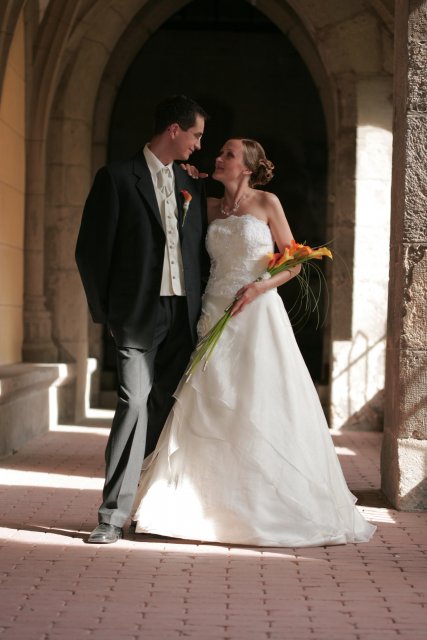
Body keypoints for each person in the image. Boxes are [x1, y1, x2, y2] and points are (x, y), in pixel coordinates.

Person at [131, 137, 376, 547]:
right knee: (207, 399)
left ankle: (264, 503)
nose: (218, 158)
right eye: (219, 153)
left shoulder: (267, 203)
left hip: (257, 312)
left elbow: (295, 262)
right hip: (214, 310)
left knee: (255, 398)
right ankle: (193, 501)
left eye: (227, 155)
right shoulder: (208, 205)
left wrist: (260, 287)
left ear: (246, 167)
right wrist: (184, 176)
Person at [75, 95, 210, 544]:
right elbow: (91, 252)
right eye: (195, 135)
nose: (198, 144)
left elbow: (198, 252)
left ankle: (149, 508)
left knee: (166, 409)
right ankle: (111, 516)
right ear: (174, 129)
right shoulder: (116, 178)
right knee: (134, 403)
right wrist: (107, 314)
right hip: (135, 315)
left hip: (182, 315)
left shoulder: (190, 183)